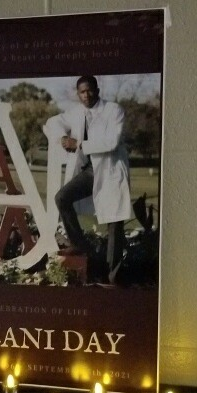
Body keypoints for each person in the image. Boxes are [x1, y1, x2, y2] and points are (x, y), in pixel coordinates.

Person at [43, 75, 131, 285]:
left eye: (90, 90)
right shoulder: (76, 112)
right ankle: (81, 246)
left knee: (114, 222)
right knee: (62, 198)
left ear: (97, 90)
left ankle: (112, 277)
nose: (86, 95)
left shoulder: (114, 110)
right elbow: (51, 123)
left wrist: (80, 144)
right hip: (90, 171)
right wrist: (62, 138)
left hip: (110, 171)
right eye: (82, 92)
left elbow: (111, 141)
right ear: (78, 94)